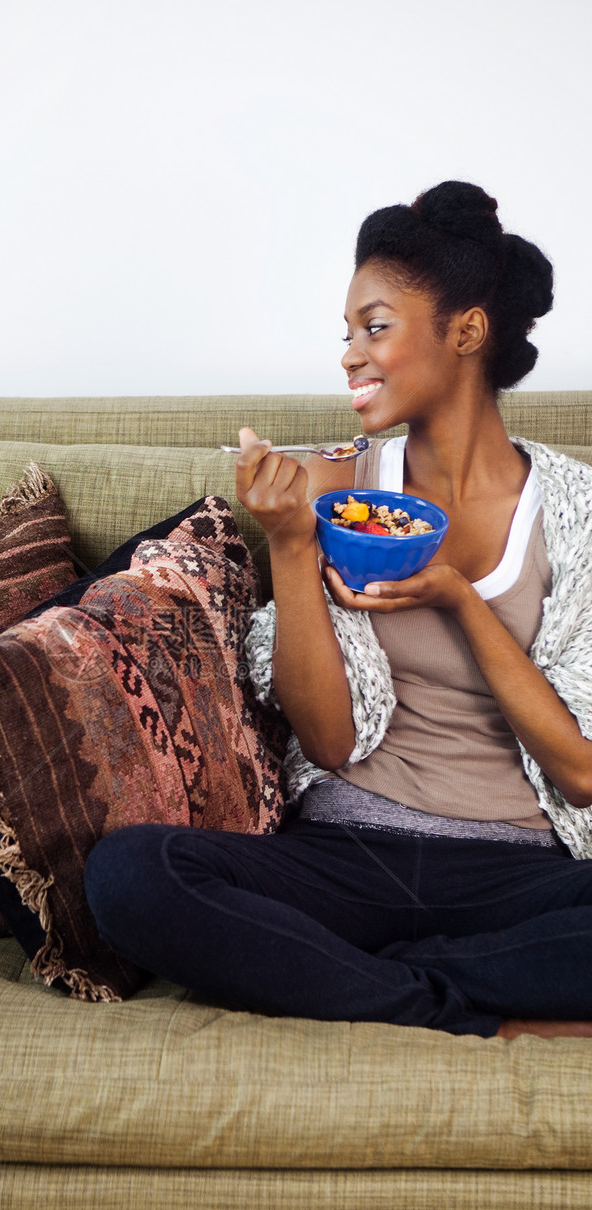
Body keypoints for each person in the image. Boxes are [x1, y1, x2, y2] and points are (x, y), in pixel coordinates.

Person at [83, 180, 592, 1039]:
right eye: (347, 335)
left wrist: (460, 598)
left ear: (465, 331)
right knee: (132, 875)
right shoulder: (333, 489)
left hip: (519, 872)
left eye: (376, 327)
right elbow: (327, 742)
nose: (352, 356)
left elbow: (581, 774)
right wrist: (288, 545)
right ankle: (468, 1012)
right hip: (347, 858)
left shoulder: (576, 512)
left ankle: (369, 986)